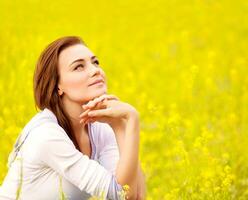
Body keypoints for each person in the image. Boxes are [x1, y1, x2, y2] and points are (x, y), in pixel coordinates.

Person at [0, 36, 146, 199]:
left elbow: (135, 195)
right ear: (57, 85)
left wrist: (121, 126)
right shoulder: (47, 135)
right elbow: (122, 196)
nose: (95, 70)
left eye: (95, 62)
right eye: (79, 67)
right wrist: (132, 119)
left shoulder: (100, 129)